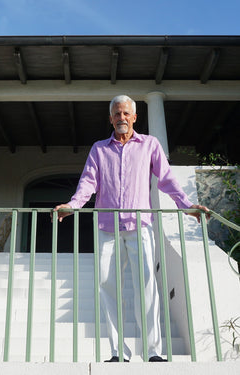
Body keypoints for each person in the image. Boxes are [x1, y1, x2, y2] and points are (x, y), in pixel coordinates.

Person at [53, 95, 209, 362]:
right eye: (116, 114)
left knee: (147, 285)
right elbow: (88, 182)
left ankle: (152, 352)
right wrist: (74, 205)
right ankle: (118, 353)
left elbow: (167, 179)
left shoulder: (150, 144)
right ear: (110, 118)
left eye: (126, 113)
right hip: (106, 227)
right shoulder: (99, 149)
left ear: (134, 117)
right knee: (107, 287)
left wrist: (186, 206)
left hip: (141, 226)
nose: (121, 118)